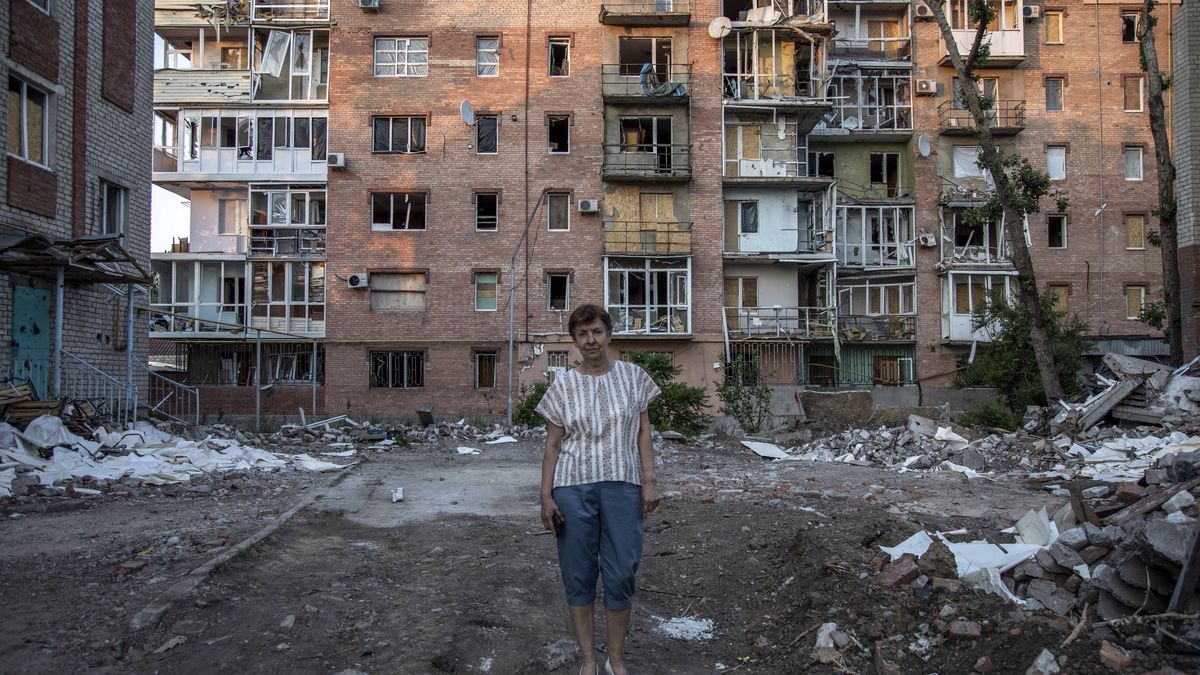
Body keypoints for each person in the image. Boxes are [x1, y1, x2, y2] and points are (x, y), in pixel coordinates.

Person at [537, 304, 661, 675]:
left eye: (596, 331)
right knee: (578, 573)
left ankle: (616, 661)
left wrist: (650, 480)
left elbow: (643, 434)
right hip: (572, 488)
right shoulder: (563, 385)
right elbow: (553, 445)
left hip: (623, 485)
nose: (590, 340)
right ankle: (589, 661)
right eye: (582, 334)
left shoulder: (633, 377)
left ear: (608, 334)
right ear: (574, 341)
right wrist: (546, 496)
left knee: (622, 570)